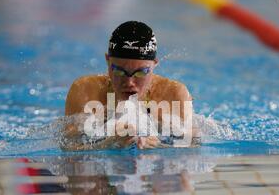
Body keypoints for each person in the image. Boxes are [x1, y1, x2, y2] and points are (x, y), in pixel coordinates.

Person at [63, 21, 193, 150]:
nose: (129, 82)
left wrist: (157, 145)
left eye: (141, 72)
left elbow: (193, 148)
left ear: (154, 64)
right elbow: (68, 149)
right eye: (119, 71)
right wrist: (108, 144)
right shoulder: (85, 91)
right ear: (108, 61)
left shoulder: (174, 95)